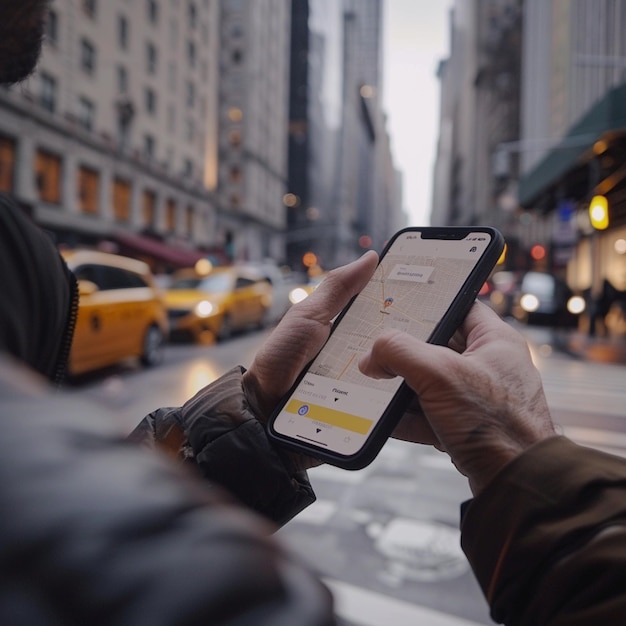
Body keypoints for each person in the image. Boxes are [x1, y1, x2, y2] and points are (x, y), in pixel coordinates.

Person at [3, 3, 626, 625]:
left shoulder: (21, 257)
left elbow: (94, 535)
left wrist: (261, 413)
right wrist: (520, 454)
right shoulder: (23, 265)